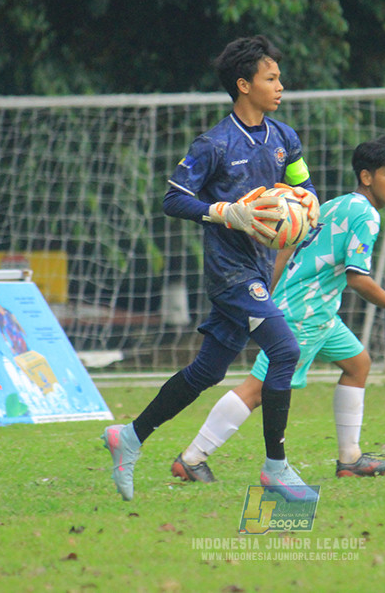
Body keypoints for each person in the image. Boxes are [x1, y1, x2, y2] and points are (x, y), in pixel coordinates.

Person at [101, 35, 320, 502]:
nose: (280, 86)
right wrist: (223, 212)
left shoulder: (285, 138)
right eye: (271, 78)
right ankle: (276, 469)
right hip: (230, 275)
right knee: (285, 351)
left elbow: (304, 189)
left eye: (279, 78)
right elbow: (173, 199)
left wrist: (307, 212)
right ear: (244, 85)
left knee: (207, 371)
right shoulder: (214, 144)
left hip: (258, 269)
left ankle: (130, 437)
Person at [171, 134, 385, 484]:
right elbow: (357, 278)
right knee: (258, 388)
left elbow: (286, 247)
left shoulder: (336, 204)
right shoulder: (367, 216)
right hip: (307, 312)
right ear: (367, 177)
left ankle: (350, 458)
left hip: (317, 311)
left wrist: (271, 293)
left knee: (358, 364)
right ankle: (192, 458)